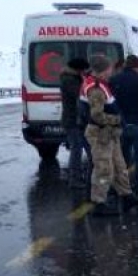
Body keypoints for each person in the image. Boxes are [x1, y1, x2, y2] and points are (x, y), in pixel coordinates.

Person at [80, 55, 138, 215]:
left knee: (119, 165)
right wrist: (117, 119)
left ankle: (126, 195)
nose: (111, 72)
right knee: (103, 168)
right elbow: (96, 115)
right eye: (109, 69)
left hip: (109, 133)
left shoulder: (101, 85)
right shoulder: (96, 89)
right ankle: (98, 202)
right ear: (102, 70)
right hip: (101, 133)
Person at [109, 55, 138, 200]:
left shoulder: (113, 81)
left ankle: (122, 189)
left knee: (120, 160)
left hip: (120, 124)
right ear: (137, 67)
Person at [60, 57, 90, 189]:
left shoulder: (71, 78)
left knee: (80, 148)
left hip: (74, 119)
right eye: (83, 70)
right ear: (78, 69)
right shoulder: (69, 80)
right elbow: (80, 96)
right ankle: (75, 179)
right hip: (73, 120)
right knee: (76, 150)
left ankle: (79, 177)